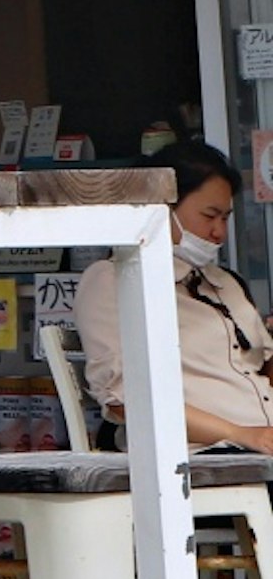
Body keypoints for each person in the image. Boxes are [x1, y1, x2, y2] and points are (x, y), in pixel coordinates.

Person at [75, 140, 273, 453]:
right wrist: (241, 434)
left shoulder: (225, 283)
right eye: (209, 216)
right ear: (162, 209)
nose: (219, 232)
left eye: (225, 217)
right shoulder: (113, 281)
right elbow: (125, 400)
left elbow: (258, 373)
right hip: (195, 453)